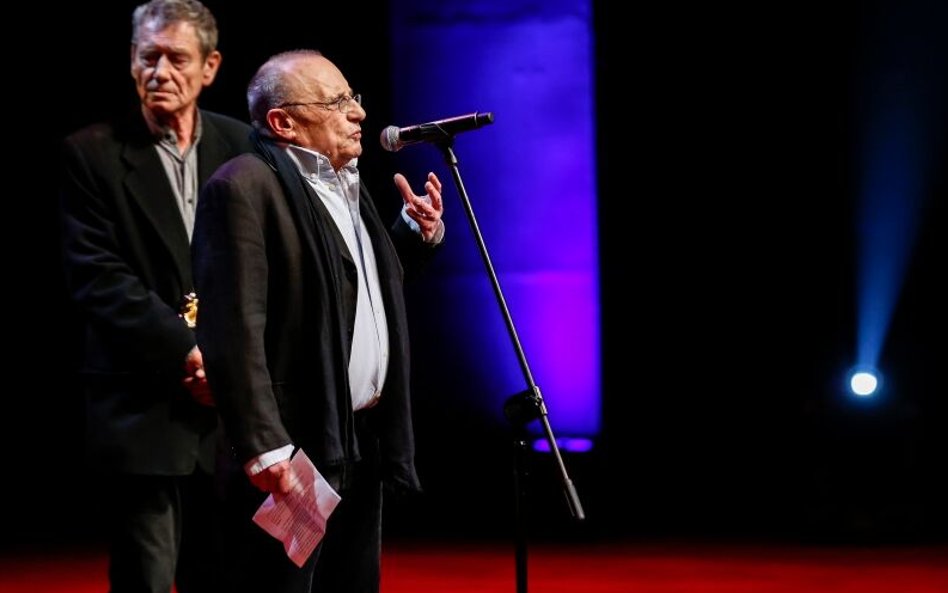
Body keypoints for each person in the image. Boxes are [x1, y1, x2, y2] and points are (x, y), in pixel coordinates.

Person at [191, 49, 445, 593]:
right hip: (294, 448)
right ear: (283, 122)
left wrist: (410, 232)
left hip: (358, 437)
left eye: (354, 98)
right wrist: (265, 445)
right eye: (335, 102)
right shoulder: (243, 187)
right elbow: (233, 330)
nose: (358, 113)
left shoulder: (343, 183)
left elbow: (352, 289)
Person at [57, 1, 253, 591]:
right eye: (149, 57)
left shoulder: (242, 145)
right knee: (145, 577)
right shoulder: (90, 153)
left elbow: (261, 264)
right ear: (131, 61)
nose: (160, 71)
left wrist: (228, 359)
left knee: (223, 577)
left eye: (176, 58)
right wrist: (186, 351)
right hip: (141, 408)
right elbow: (98, 276)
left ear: (210, 67)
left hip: (229, 416)